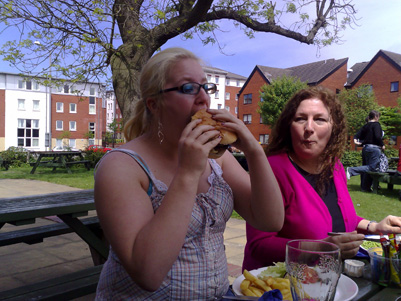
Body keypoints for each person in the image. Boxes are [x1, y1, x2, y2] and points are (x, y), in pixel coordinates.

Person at [93, 47, 284, 299]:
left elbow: (270, 220)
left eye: (205, 87)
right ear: (154, 103)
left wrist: (254, 152)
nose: (203, 98)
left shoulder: (218, 158)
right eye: (187, 88)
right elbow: (148, 273)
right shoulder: (120, 166)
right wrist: (188, 173)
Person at [242, 86, 401, 271]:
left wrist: (374, 227)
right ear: (289, 126)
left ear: (334, 128)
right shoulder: (272, 169)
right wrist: (321, 248)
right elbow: (259, 245)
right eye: (300, 119)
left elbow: (341, 216)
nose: (309, 128)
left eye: (319, 119)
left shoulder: (334, 165)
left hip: (330, 280)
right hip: (280, 286)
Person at [346, 110, 385, 192]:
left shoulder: (366, 126)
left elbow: (356, 136)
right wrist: (382, 145)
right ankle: (351, 170)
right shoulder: (376, 125)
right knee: (372, 168)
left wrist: (357, 142)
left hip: (366, 148)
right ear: (376, 117)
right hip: (374, 148)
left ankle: (365, 187)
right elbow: (378, 137)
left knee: (365, 168)